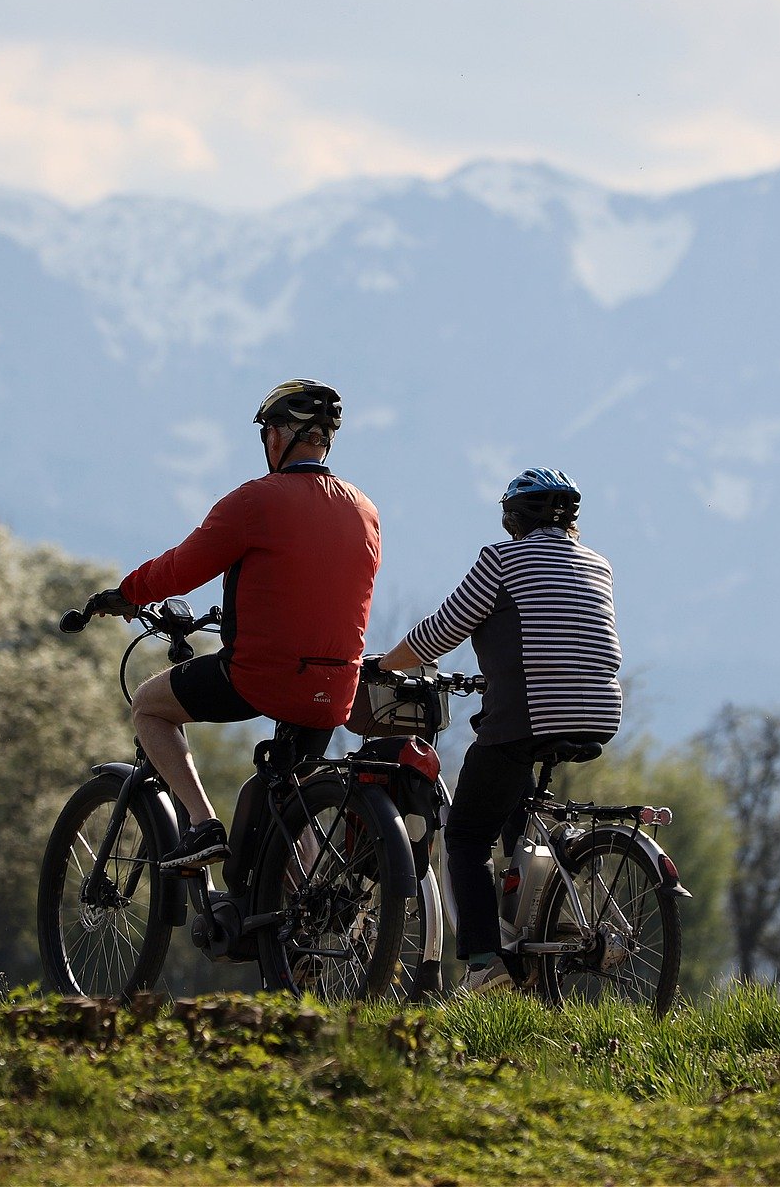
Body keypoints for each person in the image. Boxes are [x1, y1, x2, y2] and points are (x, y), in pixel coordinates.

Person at [88, 379, 382, 870]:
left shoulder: (255, 501)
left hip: (261, 678)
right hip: (336, 688)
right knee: (287, 797)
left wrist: (127, 593)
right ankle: (303, 908)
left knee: (149, 706)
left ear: (277, 437)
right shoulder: (365, 509)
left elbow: (183, 567)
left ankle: (203, 824)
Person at [372, 467, 621, 992]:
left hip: (530, 715)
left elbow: (442, 630)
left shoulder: (502, 560)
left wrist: (386, 664)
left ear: (513, 519)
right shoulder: (598, 564)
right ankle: (546, 912)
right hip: (598, 714)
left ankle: (485, 962)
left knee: (466, 836)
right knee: (516, 807)